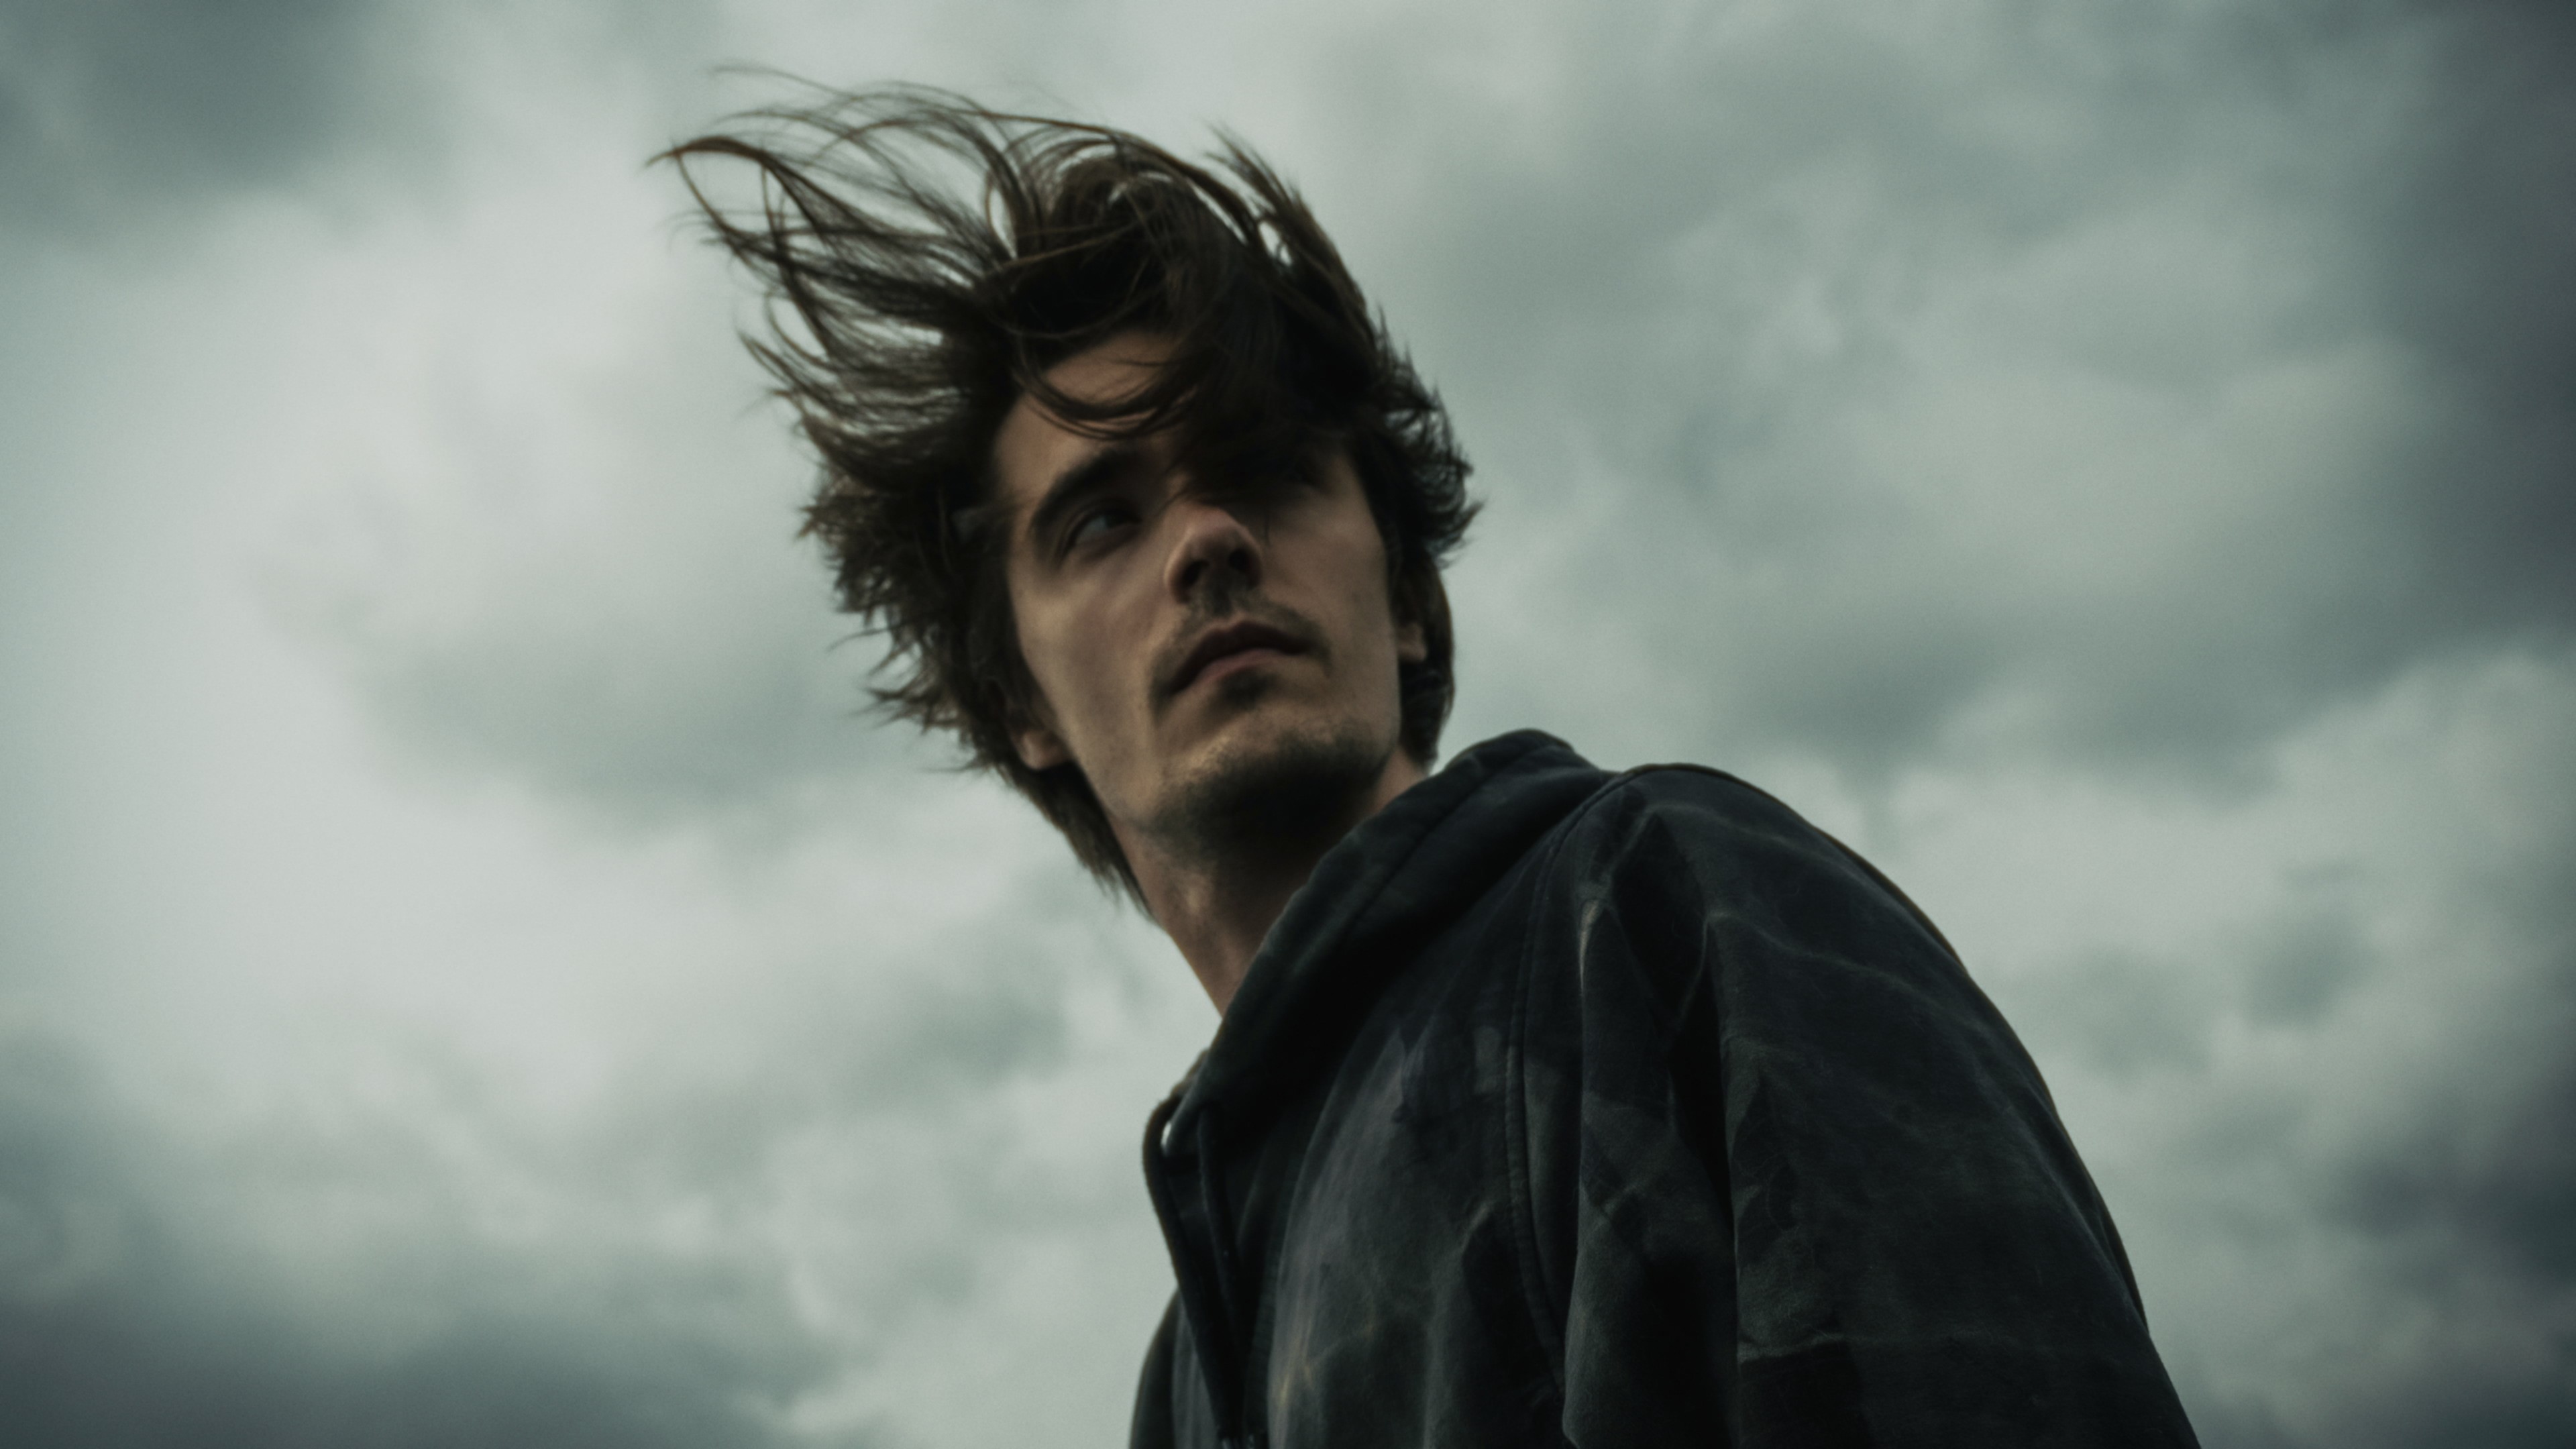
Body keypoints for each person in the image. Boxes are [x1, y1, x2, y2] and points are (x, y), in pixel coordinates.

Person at [667, 88, 2201, 1449]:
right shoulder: (1182, 1376)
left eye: (1264, 470)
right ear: (1023, 705)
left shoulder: (1664, 907)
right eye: (1100, 520)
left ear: (1404, 597)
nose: (1205, 540)